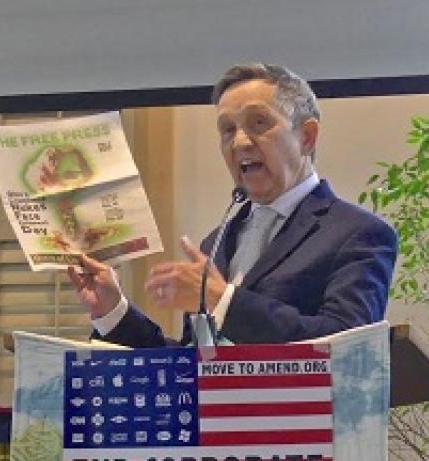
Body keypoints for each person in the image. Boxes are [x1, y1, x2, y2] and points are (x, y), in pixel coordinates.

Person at [68, 63, 398, 346]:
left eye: (258, 123)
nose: (239, 142)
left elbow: (347, 347)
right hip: (215, 421)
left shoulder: (358, 234)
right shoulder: (217, 241)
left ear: (307, 137)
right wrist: (113, 312)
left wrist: (220, 300)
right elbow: (191, 365)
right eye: (227, 130)